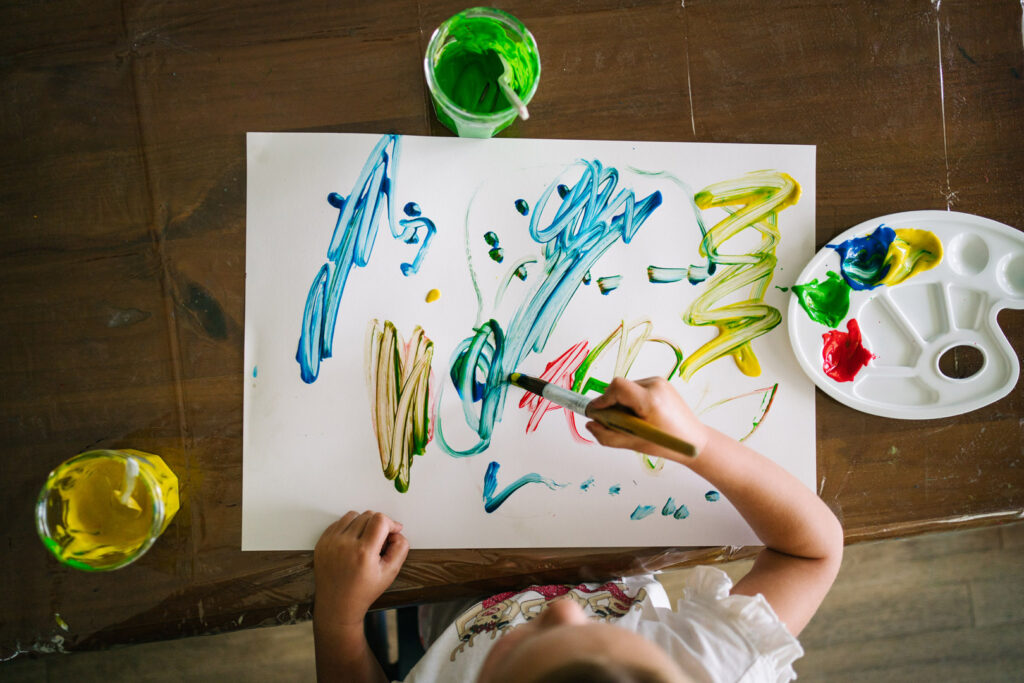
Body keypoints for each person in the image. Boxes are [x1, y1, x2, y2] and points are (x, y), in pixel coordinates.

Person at [313, 377, 844, 682]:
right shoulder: (712, 670)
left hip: (443, 608)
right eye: (597, 632)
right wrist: (696, 444)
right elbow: (811, 553)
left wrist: (339, 617)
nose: (564, 610)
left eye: (536, 639)